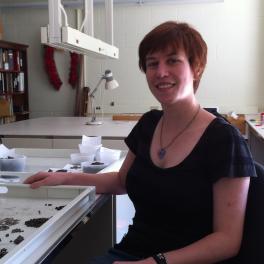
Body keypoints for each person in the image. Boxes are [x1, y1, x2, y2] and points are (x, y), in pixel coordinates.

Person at [25, 21, 257, 264]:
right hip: (131, 253)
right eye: (152, 63)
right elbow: (121, 181)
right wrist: (64, 178)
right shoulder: (148, 124)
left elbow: (227, 240)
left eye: (172, 60)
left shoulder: (224, 140)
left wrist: (155, 262)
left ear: (196, 68)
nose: (160, 72)